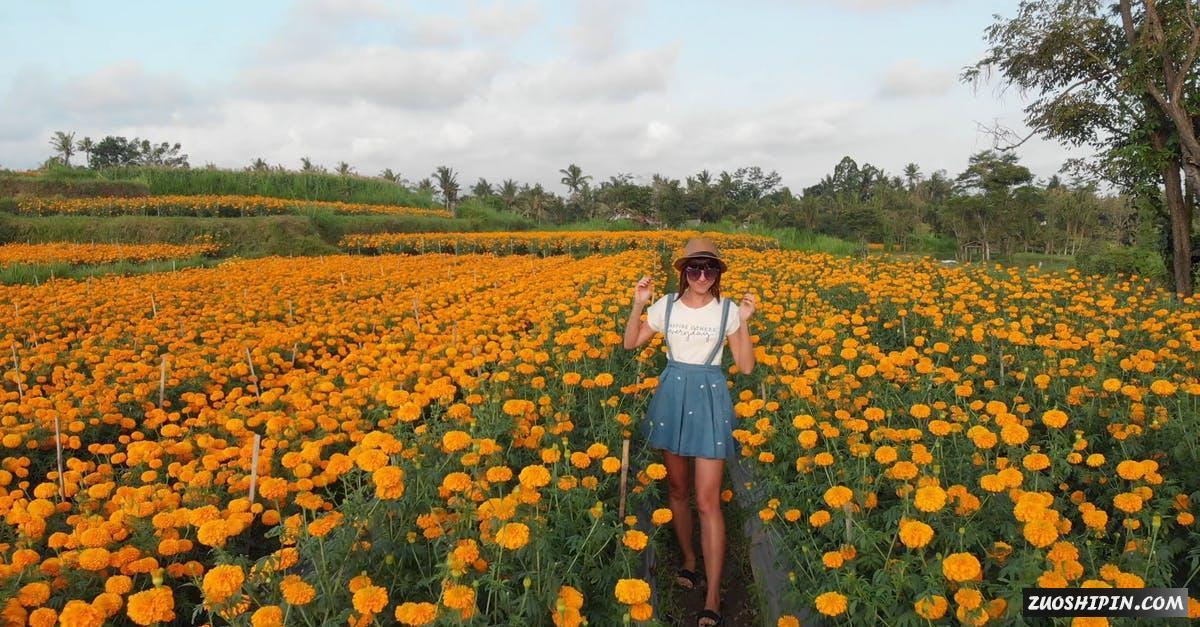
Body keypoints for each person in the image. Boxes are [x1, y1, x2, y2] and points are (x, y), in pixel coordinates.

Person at [622, 236, 757, 627]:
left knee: (708, 501)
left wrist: (744, 324)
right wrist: (638, 305)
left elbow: (746, 367)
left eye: (709, 268)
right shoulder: (665, 306)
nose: (701, 275)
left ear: (717, 274)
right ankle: (688, 559)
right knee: (677, 490)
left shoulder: (727, 311)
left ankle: (712, 595)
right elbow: (631, 343)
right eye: (694, 268)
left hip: (711, 397)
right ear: (683, 271)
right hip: (672, 394)